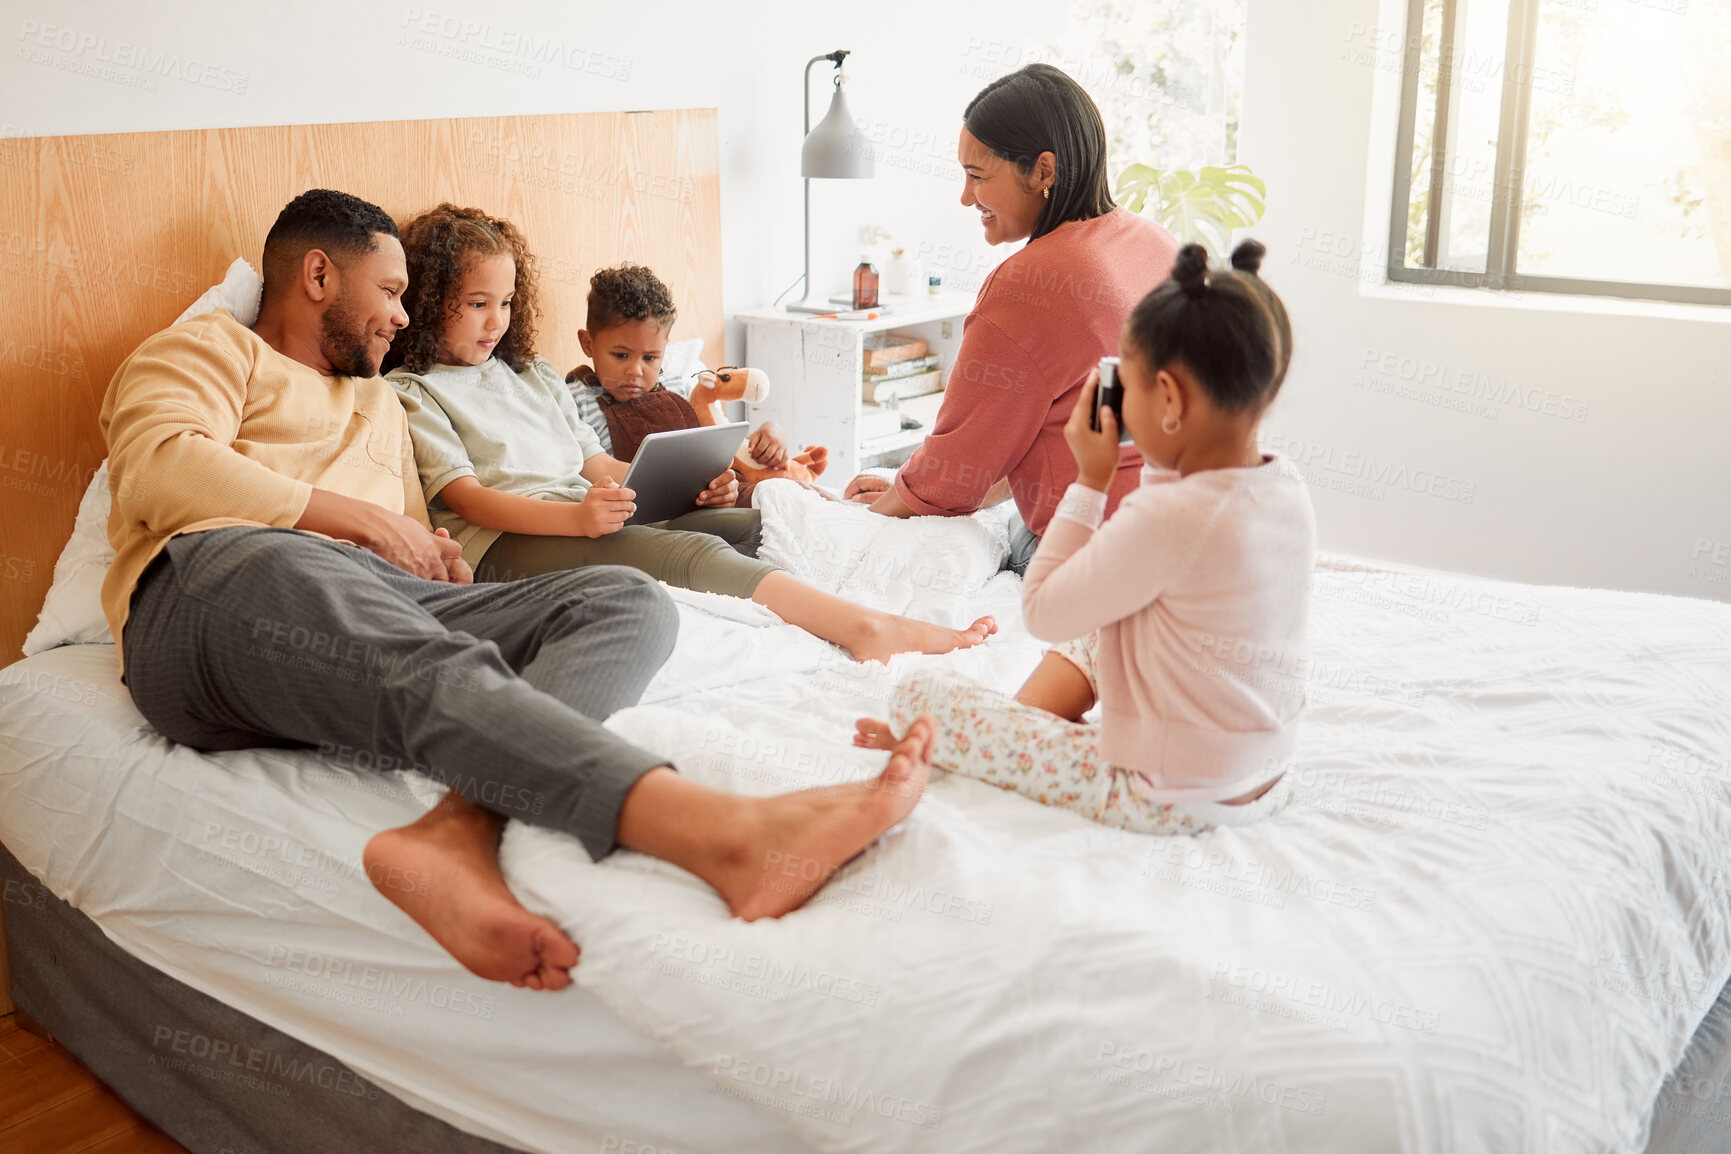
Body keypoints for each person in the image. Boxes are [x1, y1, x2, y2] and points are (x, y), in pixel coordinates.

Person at [102, 188, 941, 994]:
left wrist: (434, 558)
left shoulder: (380, 404)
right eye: (390, 292)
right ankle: (723, 834)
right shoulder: (210, 349)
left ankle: (458, 829)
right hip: (218, 585)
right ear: (318, 276)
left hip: (377, 599)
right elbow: (159, 465)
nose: (403, 315)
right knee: (332, 595)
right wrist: (359, 522)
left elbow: (410, 536)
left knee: (623, 599)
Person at [384, 203, 996, 664]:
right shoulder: (416, 390)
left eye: (508, 302)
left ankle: (865, 596)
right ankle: (867, 632)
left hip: (585, 515)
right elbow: (466, 499)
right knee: (691, 553)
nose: (498, 321)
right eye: (476, 304)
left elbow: (599, 469)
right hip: (505, 545)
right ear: (431, 300)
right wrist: (578, 520)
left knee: (752, 522)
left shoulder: (533, 373)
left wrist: (673, 490)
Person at [855, 242, 1313, 835]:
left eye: (1132, 385)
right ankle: (1015, 730)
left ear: (1170, 399)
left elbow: (1044, 611)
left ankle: (993, 739)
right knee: (1105, 627)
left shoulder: (1168, 517)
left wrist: (1090, 478)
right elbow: (1175, 534)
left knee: (917, 694)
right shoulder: (1282, 485)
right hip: (1262, 773)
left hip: (1166, 794)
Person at [842, 63, 1180, 574]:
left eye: (977, 175)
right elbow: (1015, 442)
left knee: (1009, 535)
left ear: (1043, 171)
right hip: (1188, 529)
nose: (963, 197)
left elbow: (953, 473)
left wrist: (872, 513)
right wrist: (911, 484)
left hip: (1099, 555)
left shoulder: (1030, 283)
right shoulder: (1157, 244)